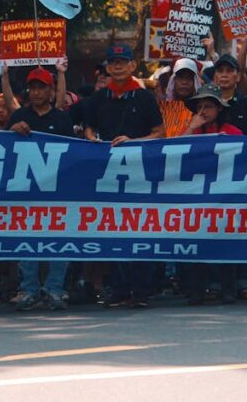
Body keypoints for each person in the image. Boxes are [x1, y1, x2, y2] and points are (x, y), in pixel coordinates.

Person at [84, 43, 164, 308]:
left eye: (122, 61)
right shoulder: (98, 98)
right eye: (113, 62)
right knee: (111, 230)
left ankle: (142, 289)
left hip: (138, 173)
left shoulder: (143, 98)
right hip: (107, 175)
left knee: (140, 228)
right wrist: (92, 140)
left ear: (132, 65)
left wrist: (133, 142)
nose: (117, 66)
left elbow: (159, 133)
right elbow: (88, 129)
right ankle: (118, 288)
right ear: (107, 67)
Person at [7, 67, 76, 311]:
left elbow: (74, 154)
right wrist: (12, 132)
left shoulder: (61, 119)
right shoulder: (18, 117)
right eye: (32, 87)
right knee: (28, 241)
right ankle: (29, 289)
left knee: (57, 240)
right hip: (27, 192)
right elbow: (4, 150)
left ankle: (55, 288)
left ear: (50, 90)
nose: (36, 92)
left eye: (41, 87)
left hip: (57, 193)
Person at [179, 84, 247, 305]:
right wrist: (192, 128)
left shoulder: (232, 131)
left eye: (208, 106)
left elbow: (246, 156)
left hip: (225, 196)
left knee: (226, 243)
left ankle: (228, 289)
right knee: (195, 243)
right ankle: (196, 290)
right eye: (199, 106)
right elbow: (176, 153)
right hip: (196, 197)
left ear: (219, 108)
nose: (203, 111)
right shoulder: (191, 129)